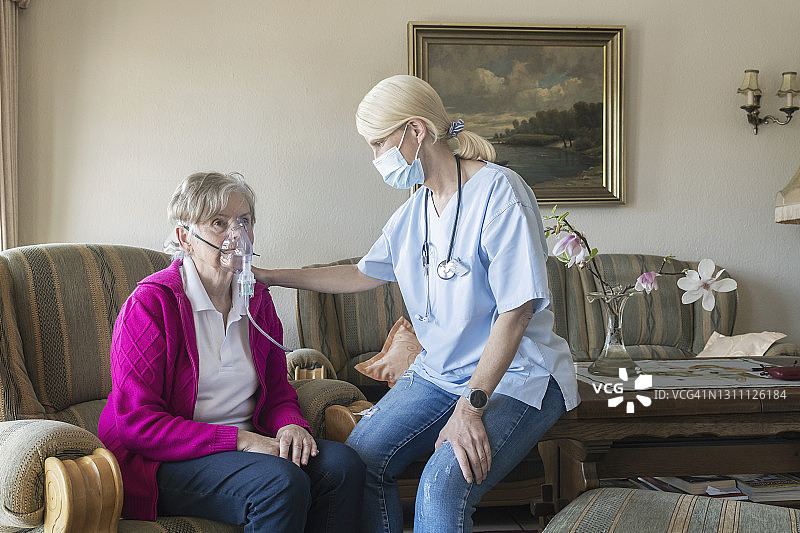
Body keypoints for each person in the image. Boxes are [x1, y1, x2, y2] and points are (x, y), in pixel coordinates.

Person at [253, 75, 581, 533]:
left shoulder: (500, 193)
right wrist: (270, 276)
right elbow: (361, 273)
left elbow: (517, 311)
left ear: (415, 130)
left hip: (517, 375)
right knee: (360, 458)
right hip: (439, 373)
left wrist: (470, 409)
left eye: (378, 143)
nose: (376, 158)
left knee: (442, 485)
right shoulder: (414, 211)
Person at [98, 172, 365, 533]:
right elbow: (137, 424)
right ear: (185, 238)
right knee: (281, 483)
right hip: (164, 459)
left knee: (344, 467)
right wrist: (242, 441)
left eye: (244, 221)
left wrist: (290, 424)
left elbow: (278, 391)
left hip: (249, 443)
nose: (236, 234)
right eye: (219, 223)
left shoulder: (257, 302)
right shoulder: (151, 305)